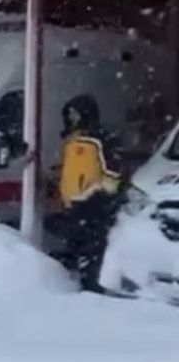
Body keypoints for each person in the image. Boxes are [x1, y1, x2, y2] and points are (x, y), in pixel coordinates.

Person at [49, 94, 123, 291]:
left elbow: (113, 170)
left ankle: (91, 284)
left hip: (92, 203)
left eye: (76, 113)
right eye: (70, 114)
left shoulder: (100, 139)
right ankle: (78, 282)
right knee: (77, 243)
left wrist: (102, 195)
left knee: (92, 247)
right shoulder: (71, 140)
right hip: (73, 202)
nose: (72, 118)